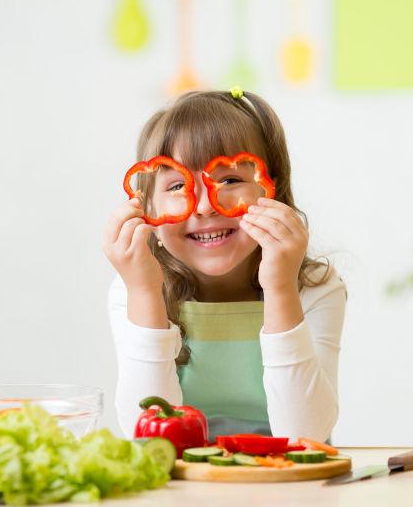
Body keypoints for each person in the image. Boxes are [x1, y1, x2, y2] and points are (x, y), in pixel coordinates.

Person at [102, 88, 346, 442]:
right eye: (176, 185)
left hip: (288, 490)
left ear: (270, 190)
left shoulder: (316, 287)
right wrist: (144, 292)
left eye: (229, 180)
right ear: (148, 208)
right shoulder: (133, 289)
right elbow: (148, 437)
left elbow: (305, 435)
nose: (203, 206)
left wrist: (280, 288)